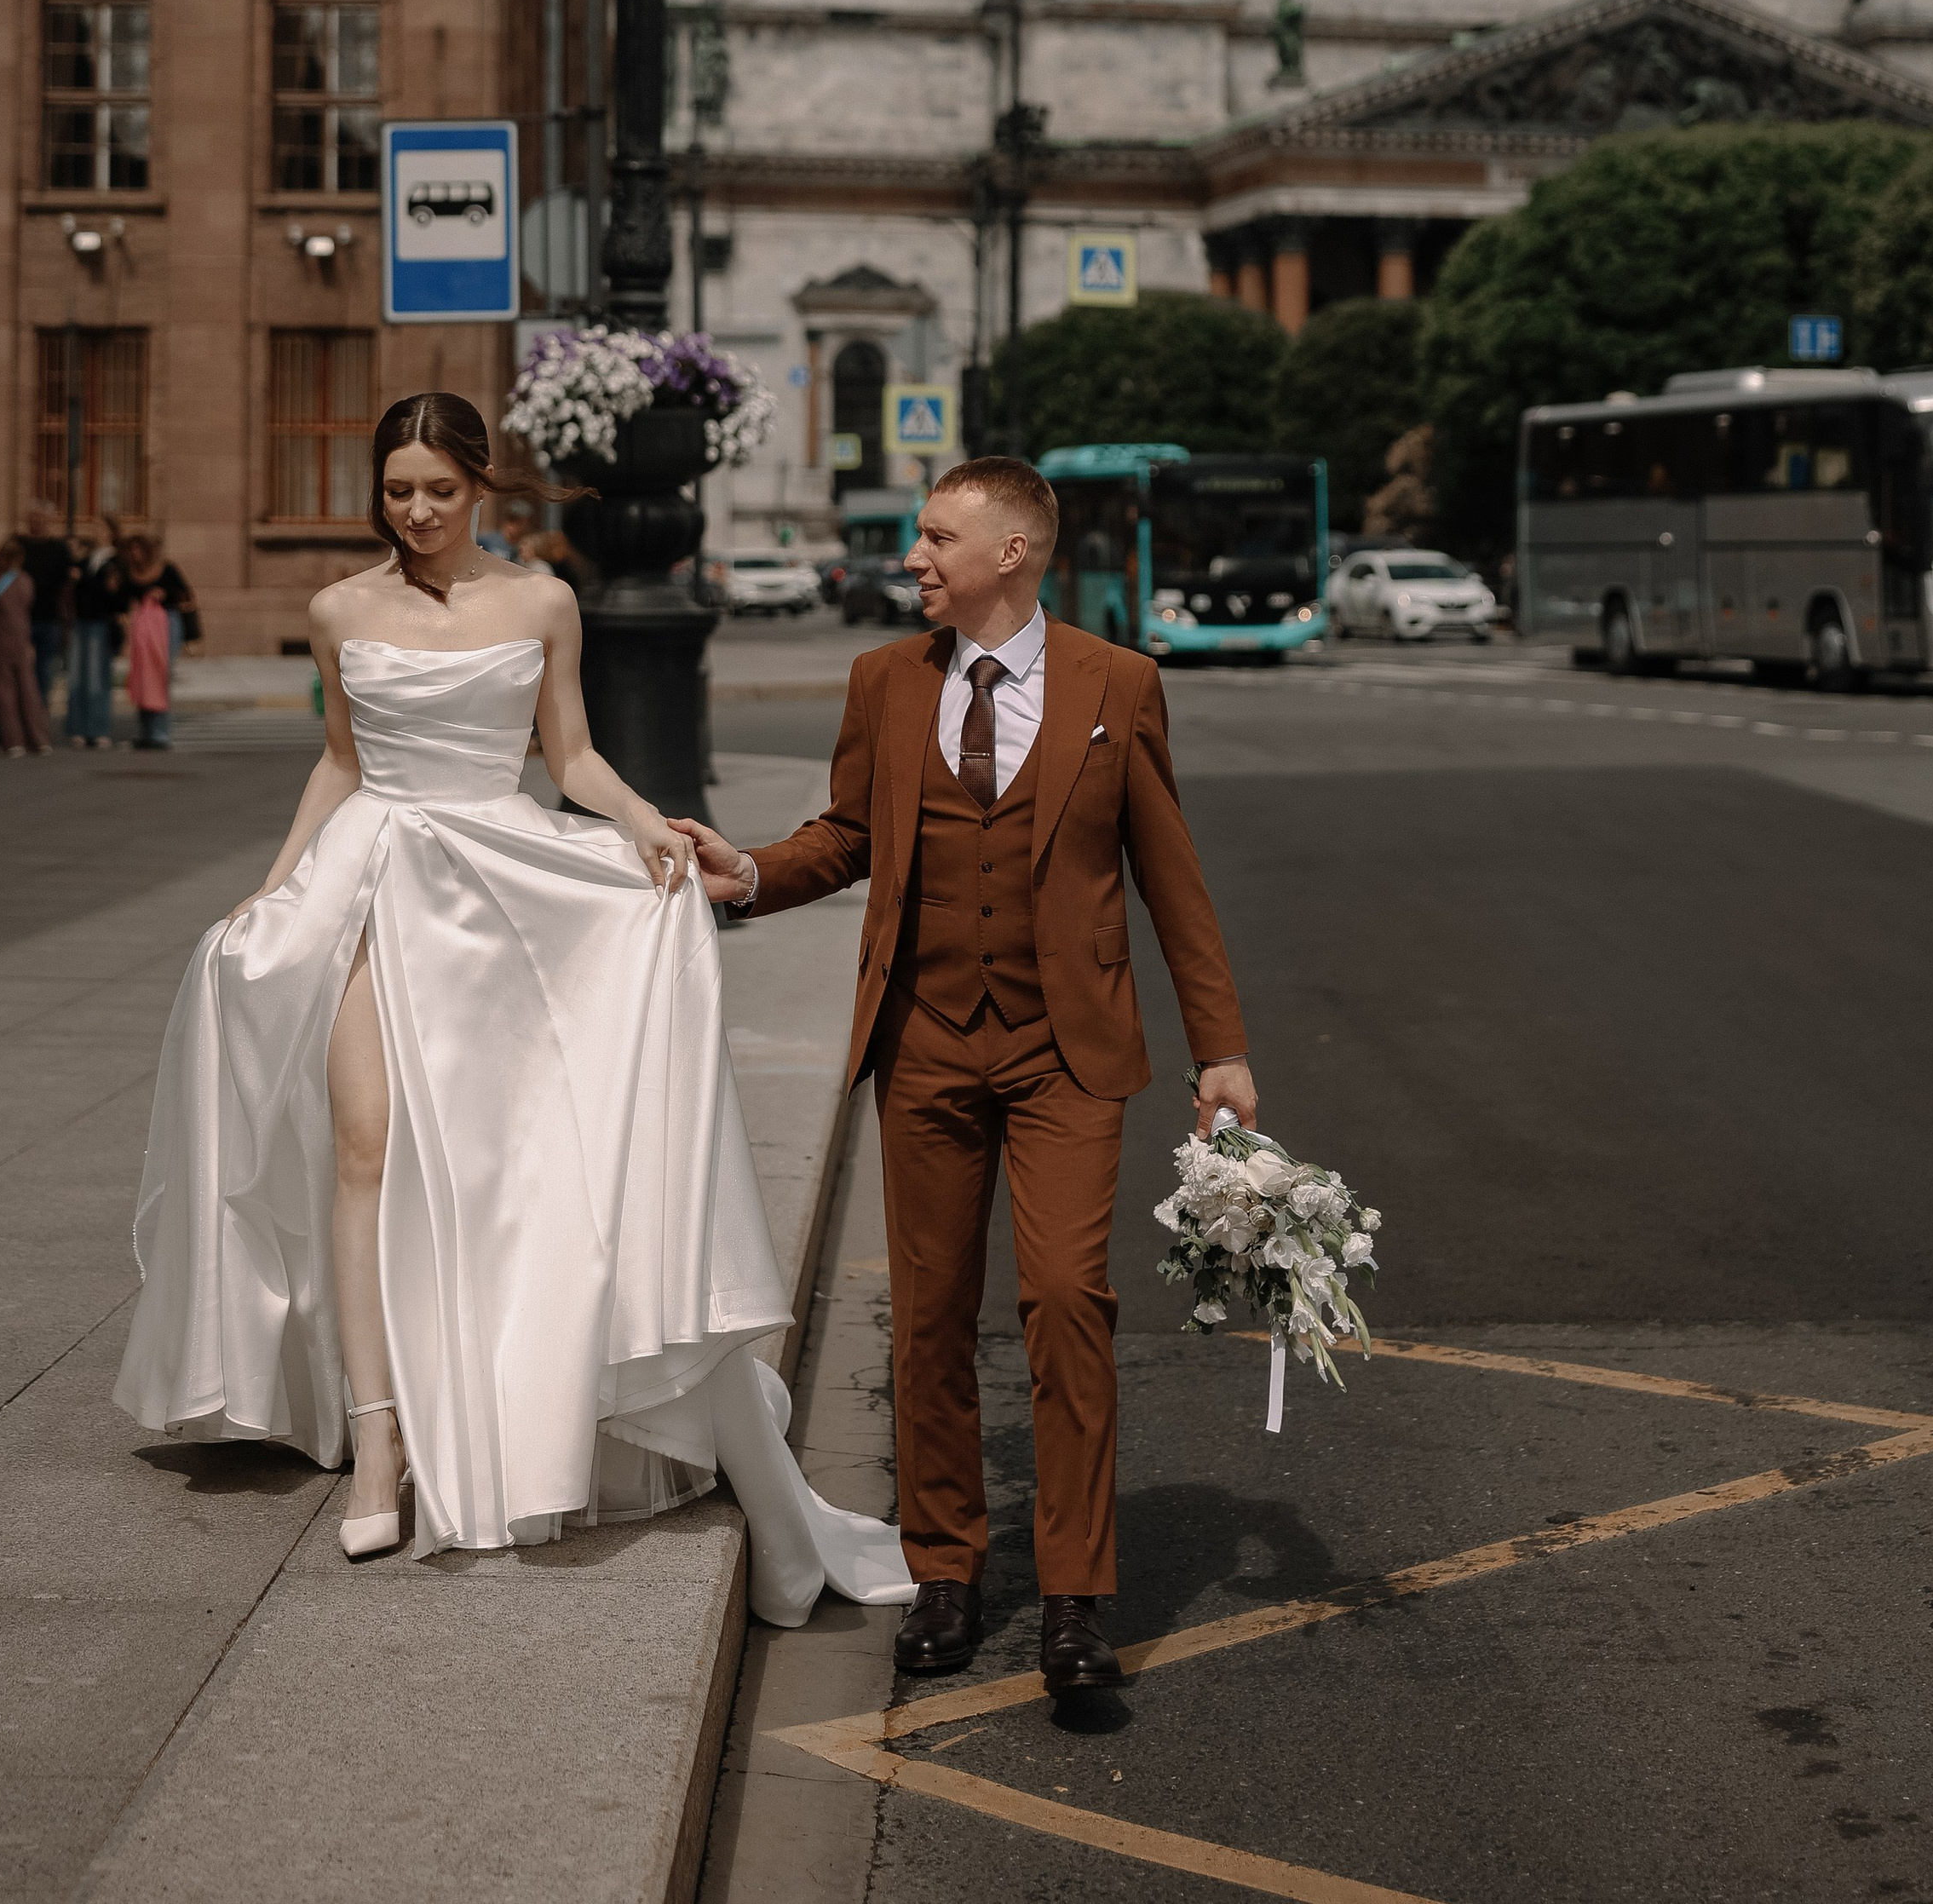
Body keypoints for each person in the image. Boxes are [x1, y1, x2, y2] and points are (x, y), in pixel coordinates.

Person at [114, 390, 912, 1616]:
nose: (419, 512)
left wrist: (653, 832)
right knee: (366, 1144)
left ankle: (495, 1393)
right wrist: (271, 893)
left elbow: (571, 754)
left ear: (480, 484)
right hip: (369, 881)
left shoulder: (542, 601)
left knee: (492, 1167)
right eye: (397, 492)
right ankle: (377, 1437)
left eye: (439, 489)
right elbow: (340, 757)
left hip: (498, 895)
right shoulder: (338, 610)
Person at [672, 455, 1257, 1694]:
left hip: (1065, 1052)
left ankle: (1076, 1600)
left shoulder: (1120, 685)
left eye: (939, 537)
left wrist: (1223, 1048)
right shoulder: (885, 682)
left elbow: (1172, 876)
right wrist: (752, 875)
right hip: (926, 1043)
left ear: (1013, 554)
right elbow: (848, 835)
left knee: (1064, 1302)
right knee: (929, 1318)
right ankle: (946, 1569)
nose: (916, 557)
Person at [118, 529, 193, 748]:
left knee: (160, 677)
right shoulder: (130, 574)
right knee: (142, 677)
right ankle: (146, 732)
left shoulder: (166, 570)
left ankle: (160, 732)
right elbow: (123, 599)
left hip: (165, 624)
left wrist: (164, 594)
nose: (135, 555)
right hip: (143, 628)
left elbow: (185, 594)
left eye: (139, 550)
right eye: (131, 551)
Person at [0, 537, 55, 757]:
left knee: (4, 693)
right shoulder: (26, 581)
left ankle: (13, 741)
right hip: (22, 641)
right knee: (29, 692)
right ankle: (38, 739)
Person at [67, 521, 125, 750]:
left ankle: (98, 729)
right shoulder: (88, 559)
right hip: (81, 622)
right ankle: (78, 728)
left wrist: (84, 579)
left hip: (100, 624)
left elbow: (112, 595)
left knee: (95, 679)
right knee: (77, 678)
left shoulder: (115, 562)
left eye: (100, 529)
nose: (95, 532)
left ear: (111, 533)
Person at [20, 504, 75, 729]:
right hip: (22, 619)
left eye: (41, 519)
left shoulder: (58, 549)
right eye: (33, 518)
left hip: (49, 618)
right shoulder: (19, 546)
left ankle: (39, 714)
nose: (37, 523)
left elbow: (68, 581)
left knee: (44, 669)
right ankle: (21, 714)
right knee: (22, 668)